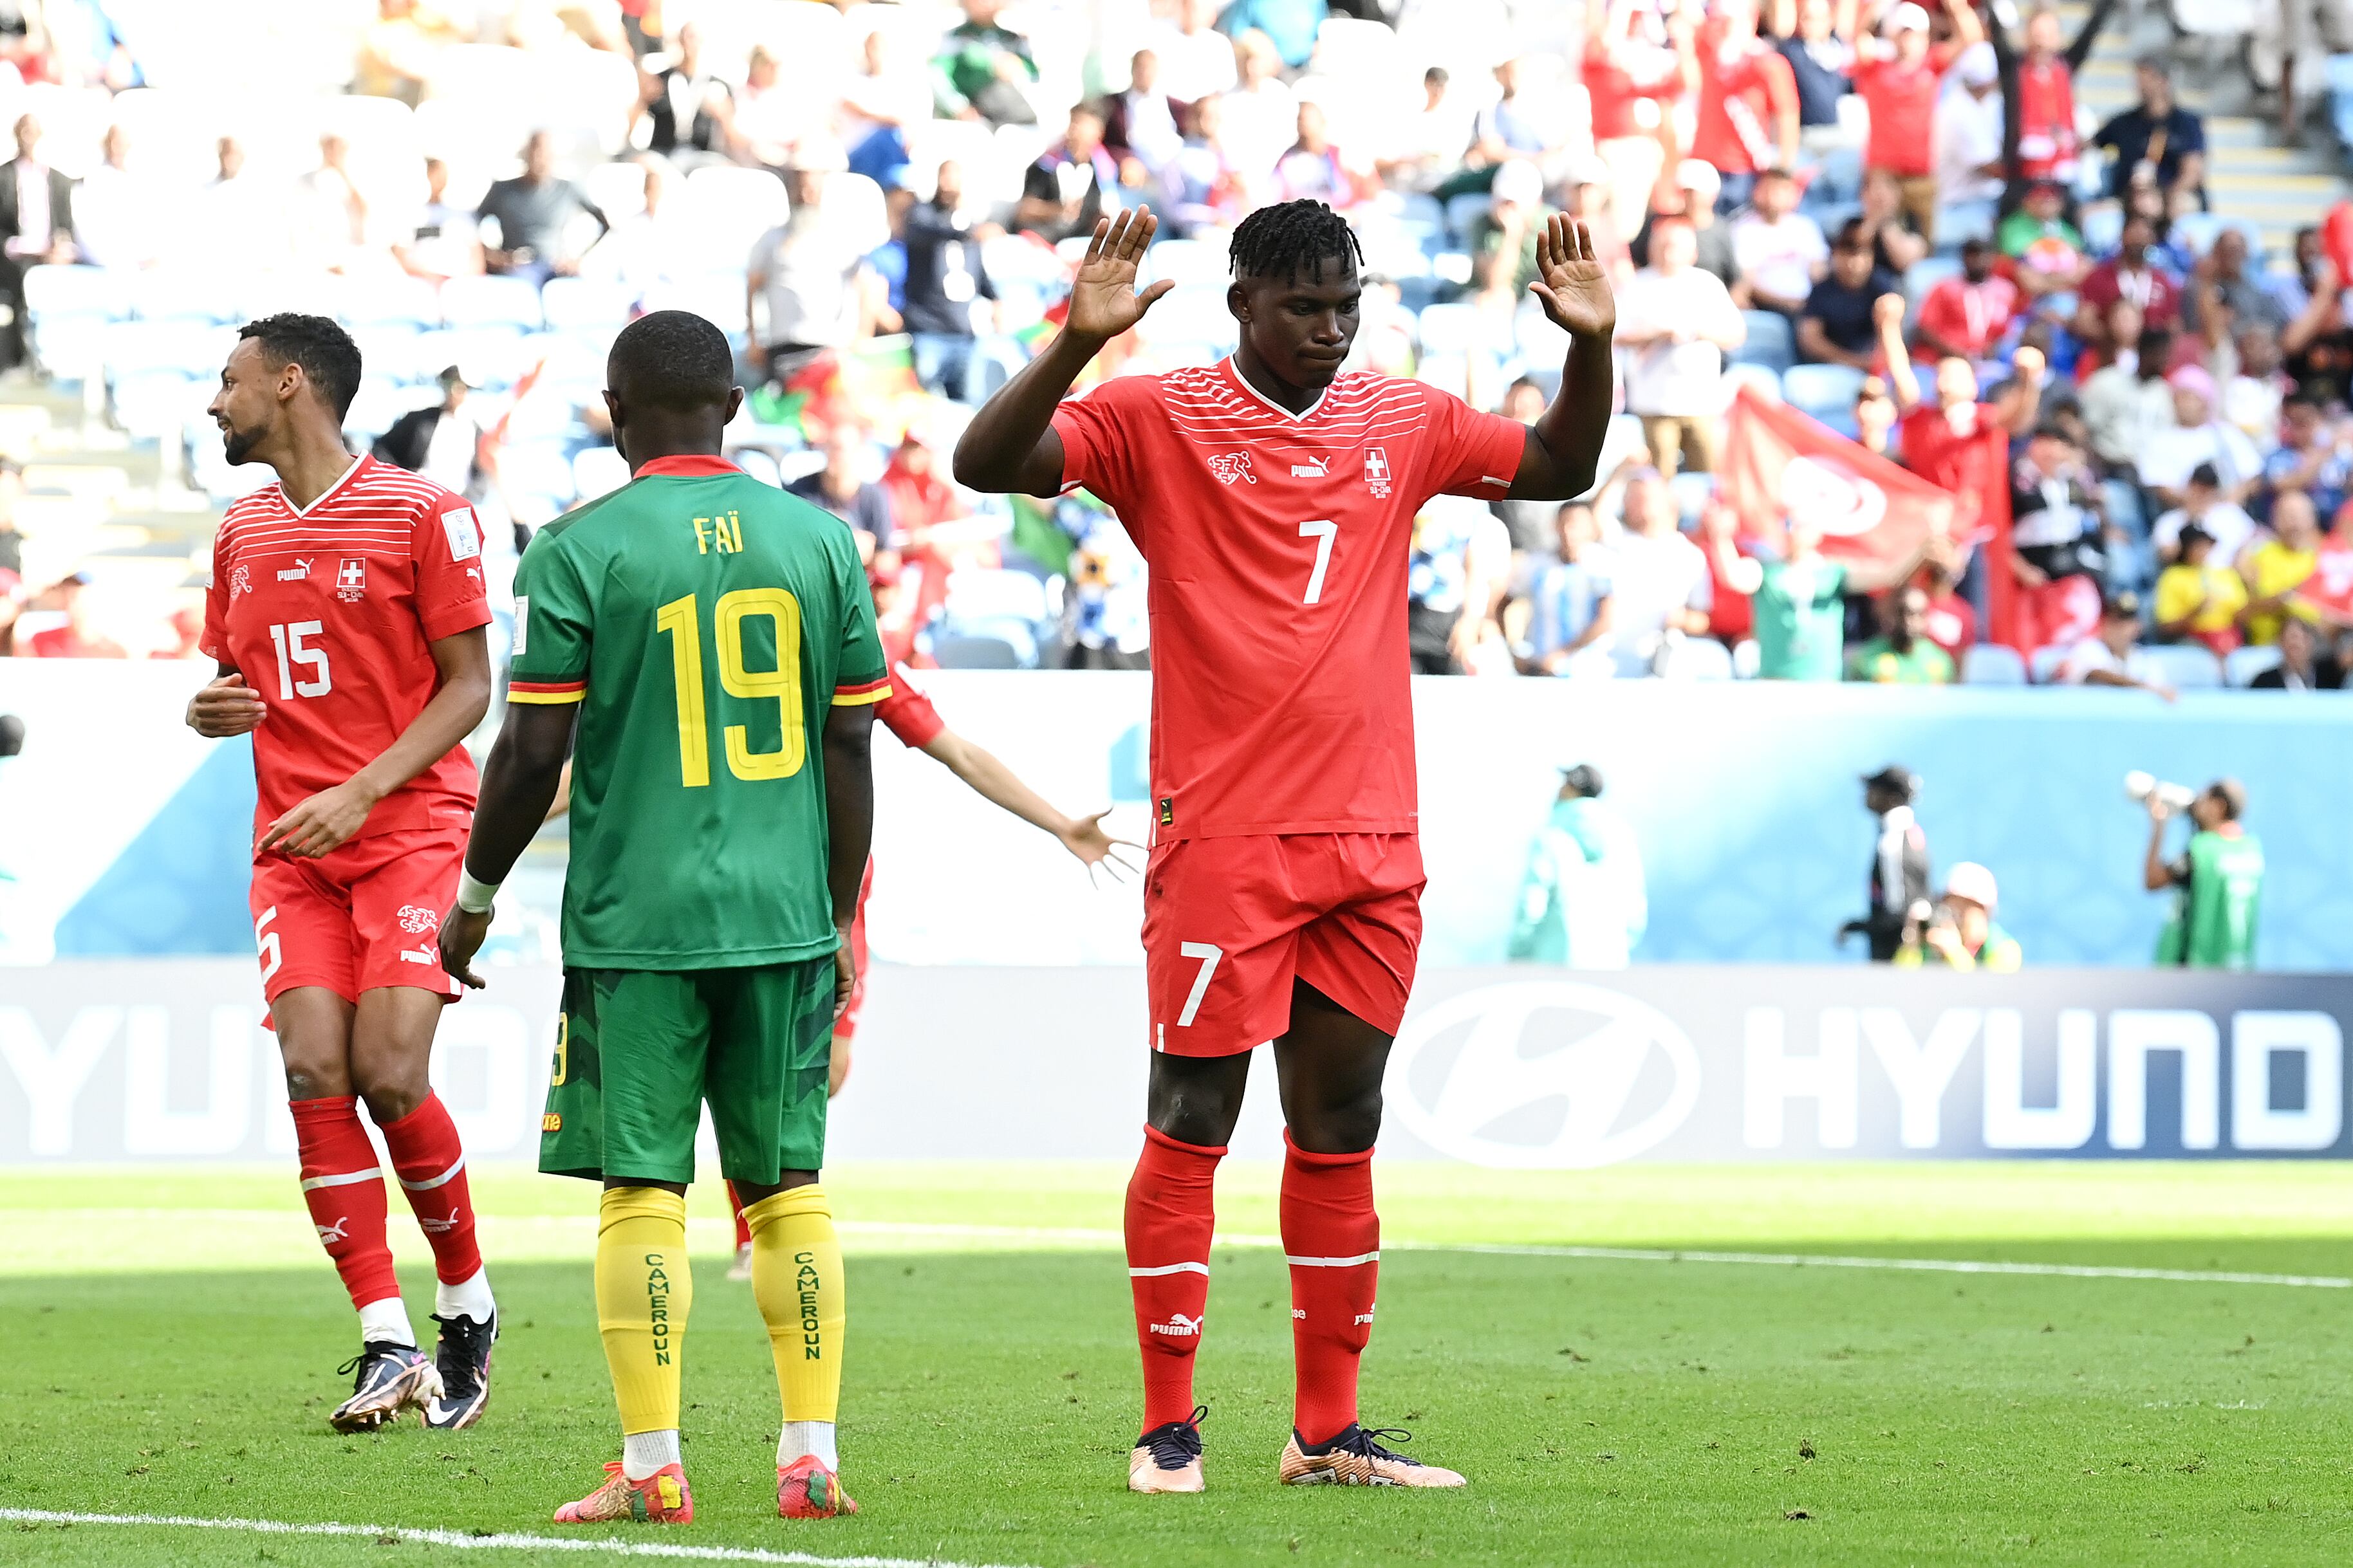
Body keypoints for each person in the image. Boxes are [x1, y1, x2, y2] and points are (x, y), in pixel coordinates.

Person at [952, 199, 1616, 1493]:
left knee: (1343, 1123)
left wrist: (1593, 346)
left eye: (1345, 307)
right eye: (1303, 307)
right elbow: (989, 463)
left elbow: (1555, 469)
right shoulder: (1155, 415)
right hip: (1224, 838)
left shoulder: (1405, 418)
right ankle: (1165, 1427)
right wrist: (1068, 342)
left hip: (1370, 837)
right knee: (1194, 1113)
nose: (1329, 331)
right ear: (1241, 302)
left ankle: (1325, 1432)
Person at [437, 312, 882, 1526]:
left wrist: (473, 902)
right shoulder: (823, 542)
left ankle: (651, 1464)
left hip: (637, 926)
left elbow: (532, 748)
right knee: (789, 1187)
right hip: (785, 919)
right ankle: (809, 1455)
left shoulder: (581, 549)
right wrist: (842, 914)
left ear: (615, 411)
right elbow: (852, 741)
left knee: (640, 1189)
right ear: (735, 408)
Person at [185, 314, 498, 1434]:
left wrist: (364, 789)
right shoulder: (240, 531)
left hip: (410, 828)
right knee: (316, 1065)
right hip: (296, 850)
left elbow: (472, 687)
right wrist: (209, 707)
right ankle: (385, 1337)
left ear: (291, 382)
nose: (214, 401)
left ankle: (466, 1305)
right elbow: (232, 676)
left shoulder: (424, 512)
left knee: (391, 1072)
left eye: (228, 380)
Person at [1725, 510, 1932, 679]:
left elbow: (1890, 575)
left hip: (1822, 681)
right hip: (1776, 679)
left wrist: (1922, 550)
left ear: (1817, 533)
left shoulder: (1832, 574)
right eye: (1789, 524)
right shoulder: (1768, 572)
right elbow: (1734, 577)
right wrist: (1721, 538)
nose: (1793, 531)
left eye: (1801, 525)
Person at [1615, 218, 1744, 476]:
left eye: (1675, 245)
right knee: (1657, 476)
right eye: (1663, 244)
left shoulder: (1707, 285)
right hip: (1654, 402)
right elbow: (1617, 336)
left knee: (1708, 474)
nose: (1668, 251)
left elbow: (1736, 333)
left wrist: (1697, 332)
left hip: (1701, 402)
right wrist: (1656, 336)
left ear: (1692, 251)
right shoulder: (1636, 286)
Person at [1850, 0, 1982, 241]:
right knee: (1879, 242)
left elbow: (1971, 37)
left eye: (1916, 35)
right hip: (1883, 174)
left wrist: (1955, 6)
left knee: (1923, 243)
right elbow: (1857, 34)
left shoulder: (1932, 67)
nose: (1909, 41)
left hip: (1921, 173)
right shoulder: (1874, 68)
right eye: (1904, 34)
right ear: (1892, 36)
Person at [1506, 763, 1647, 968]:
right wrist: (1619, 947)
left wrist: (1518, 954)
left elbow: (1531, 904)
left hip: (1552, 964)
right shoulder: (1623, 840)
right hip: (1611, 963)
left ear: (1572, 789)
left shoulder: (1550, 837)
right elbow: (1636, 911)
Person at [900, 160, 997, 403]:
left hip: (964, 332)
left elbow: (978, 272)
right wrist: (967, 233)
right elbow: (927, 230)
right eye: (945, 176)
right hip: (929, 329)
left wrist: (996, 299)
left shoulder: (967, 222)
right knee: (927, 404)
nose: (949, 184)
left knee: (969, 405)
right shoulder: (922, 215)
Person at [2143, 778, 2262, 968]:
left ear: (2218, 806)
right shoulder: (2251, 852)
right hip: (2237, 965)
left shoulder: (2203, 853)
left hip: (2197, 969)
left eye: (2203, 800)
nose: (2197, 808)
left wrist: (2159, 828)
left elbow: (2152, 880)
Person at [478, 131, 609, 284]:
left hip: (555, 268)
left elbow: (605, 223)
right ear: (526, 154)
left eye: (545, 153)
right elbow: (470, 224)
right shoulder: (503, 190)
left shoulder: (567, 189)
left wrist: (578, 260)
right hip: (517, 269)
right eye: (535, 151)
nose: (539, 158)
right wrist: (493, 256)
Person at [0, 113, 75, 368]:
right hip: (13, 259)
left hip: (51, 258)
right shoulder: (3, 177)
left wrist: (61, 247)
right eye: (24, 131)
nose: (28, 138)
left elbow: (65, 226)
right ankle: (24, 357)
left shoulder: (58, 180)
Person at [2092, 57, 2205, 211]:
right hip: (2128, 200)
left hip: (2171, 197)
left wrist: (2165, 197)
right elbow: (2091, 144)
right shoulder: (2124, 123)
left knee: (2183, 205)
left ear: (2164, 81)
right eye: (2139, 80)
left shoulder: (2186, 124)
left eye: (2148, 79)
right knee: (2094, 215)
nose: (2141, 85)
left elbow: (2192, 172)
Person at [1843, 764, 1928, 963]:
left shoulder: (1893, 842)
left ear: (1891, 798)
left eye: (1875, 788)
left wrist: (1856, 926)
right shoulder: (1911, 834)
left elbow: (1898, 915)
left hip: (1897, 961)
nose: (1867, 794)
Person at [1525, 499, 1615, 676]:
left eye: (1575, 524)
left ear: (1591, 528)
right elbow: (1503, 599)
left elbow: (1606, 620)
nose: (1568, 531)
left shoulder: (1602, 564)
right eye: (1564, 523)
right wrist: (1515, 653)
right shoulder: (1538, 565)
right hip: (1542, 669)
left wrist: (1564, 653)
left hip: (1588, 671)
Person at [1800, 221, 1904, 369]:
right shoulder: (1822, 290)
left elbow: (1892, 334)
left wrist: (1875, 362)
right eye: (1847, 253)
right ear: (1834, 253)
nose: (1853, 263)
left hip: (1876, 367)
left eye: (1861, 254)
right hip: (1833, 367)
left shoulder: (1882, 286)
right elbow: (1810, 339)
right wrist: (1853, 361)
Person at [1016, 102, 1121, 243]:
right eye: (1073, 123)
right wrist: (1057, 211)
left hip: (1082, 242)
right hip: (1044, 238)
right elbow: (1024, 212)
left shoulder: (1104, 170)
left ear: (1099, 132)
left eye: (1082, 125)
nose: (1074, 130)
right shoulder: (1046, 165)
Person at [1728, 165, 1825, 318]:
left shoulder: (1805, 227)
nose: (1774, 196)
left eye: (1781, 190)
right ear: (1757, 192)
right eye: (1769, 189)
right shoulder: (1744, 230)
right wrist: (1785, 303)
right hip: (1765, 307)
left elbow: (1819, 271)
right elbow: (1747, 281)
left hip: (1807, 306)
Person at [371, 365, 483, 497]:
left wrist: (467, 497)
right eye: (449, 384)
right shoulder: (419, 421)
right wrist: (403, 480)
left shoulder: (477, 432)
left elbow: (480, 478)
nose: (454, 392)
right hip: (418, 496)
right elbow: (382, 448)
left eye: (460, 387)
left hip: (458, 502)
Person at [1911, 238, 2018, 367]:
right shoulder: (1945, 288)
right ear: (1964, 258)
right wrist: (1957, 353)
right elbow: (1925, 329)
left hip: (1986, 363)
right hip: (1941, 360)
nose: (1978, 261)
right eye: (1973, 255)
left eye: (1983, 255)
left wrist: (1990, 351)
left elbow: (2007, 331)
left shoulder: (2005, 291)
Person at [1895, 861, 2021, 970]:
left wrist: (1954, 952)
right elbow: (1901, 984)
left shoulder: (2004, 949)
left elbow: (1989, 991)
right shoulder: (1930, 945)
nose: (1955, 915)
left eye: (1964, 907)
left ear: (1984, 911)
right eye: (1949, 906)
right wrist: (1911, 945)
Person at [932, 0, 1038, 126]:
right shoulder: (955, 38)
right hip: (973, 118)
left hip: (1012, 116)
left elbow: (1034, 74)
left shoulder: (1013, 38)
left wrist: (1018, 67)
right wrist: (958, 106)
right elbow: (937, 74)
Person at [2240, 487, 2322, 646]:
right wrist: (2289, 597)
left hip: (2316, 647)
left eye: (2299, 516)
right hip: (2269, 646)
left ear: (2312, 520)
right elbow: (2242, 612)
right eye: (2288, 516)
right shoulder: (2255, 555)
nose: (2294, 523)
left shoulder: (2324, 558)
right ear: (2274, 519)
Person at [2152, 522, 2246, 654]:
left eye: (2206, 545)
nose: (2202, 550)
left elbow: (2242, 612)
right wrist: (2196, 612)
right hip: (2194, 640)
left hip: (2229, 636)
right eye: (2197, 546)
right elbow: (2166, 627)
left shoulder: (2226, 574)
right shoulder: (2172, 577)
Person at [2056, 590, 2173, 695]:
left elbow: (2160, 690)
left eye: (2127, 623)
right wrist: (2140, 686)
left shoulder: (2145, 659)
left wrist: (2147, 688)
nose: (2120, 630)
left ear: (2138, 627)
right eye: (2115, 623)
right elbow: (2096, 674)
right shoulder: (2088, 648)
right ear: (2105, 624)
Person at [1847, 583, 1957, 682]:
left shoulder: (1940, 662)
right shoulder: (1868, 659)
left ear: (1927, 618)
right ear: (1893, 615)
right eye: (1903, 612)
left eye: (1918, 614)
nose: (1909, 621)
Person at [23, 571, 126, 658]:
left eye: (75, 595)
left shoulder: (112, 650)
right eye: (65, 594)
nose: (70, 602)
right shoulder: (41, 641)